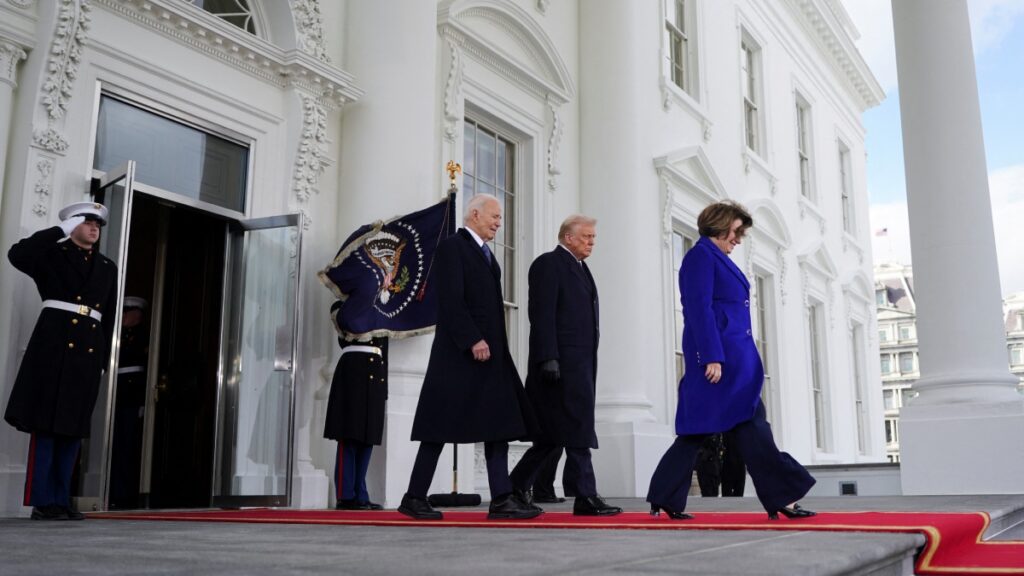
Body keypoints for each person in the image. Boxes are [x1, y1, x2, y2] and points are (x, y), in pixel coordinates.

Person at [647, 201, 816, 520]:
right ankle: (784, 497)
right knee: (743, 426)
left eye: (741, 233)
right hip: (721, 363)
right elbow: (698, 308)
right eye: (736, 231)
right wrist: (711, 356)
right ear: (719, 225)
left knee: (717, 428)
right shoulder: (700, 257)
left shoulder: (716, 258)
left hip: (735, 360)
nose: (739, 238)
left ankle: (664, 495)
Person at [399, 194, 539, 521]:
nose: (499, 222)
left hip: (492, 357)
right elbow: (450, 300)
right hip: (459, 356)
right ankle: (414, 497)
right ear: (474, 214)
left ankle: (502, 498)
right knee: (439, 426)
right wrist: (472, 338)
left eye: (500, 217)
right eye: (495, 216)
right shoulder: (452, 247)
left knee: (499, 425)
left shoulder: (488, 256)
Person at [5, 202, 117, 521]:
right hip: (54, 349)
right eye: (87, 222)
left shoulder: (107, 266)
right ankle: (43, 500)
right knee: (47, 425)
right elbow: (17, 254)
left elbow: (106, 315)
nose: (94, 228)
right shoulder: (51, 255)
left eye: (98, 224)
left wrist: (103, 360)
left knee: (73, 429)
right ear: (72, 225)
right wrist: (59, 232)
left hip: (87, 354)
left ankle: (61, 498)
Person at [510, 215, 621, 516]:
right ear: (568, 237)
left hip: (580, 364)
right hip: (559, 366)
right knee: (576, 429)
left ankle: (514, 487)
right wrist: (548, 357)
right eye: (586, 236)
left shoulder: (582, 269)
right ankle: (585, 495)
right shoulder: (549, 264)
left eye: (593, 237)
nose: (591, 242)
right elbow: (541, 314)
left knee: (551, 437)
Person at [323, 301, 388, 511]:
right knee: (350, 436)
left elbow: (383, 347)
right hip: (353, 370)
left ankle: (361, 494)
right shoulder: (343, 306)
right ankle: (346, 495)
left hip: (375, 371)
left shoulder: (382, 308)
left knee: (368, 438)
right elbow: (351, 326)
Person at [109, 296, 149, 509]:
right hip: (114, 393)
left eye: (129, 313)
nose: (125, 317)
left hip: (131, 396)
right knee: (112, 446)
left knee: (126, 447)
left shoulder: (142, 336)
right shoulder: (115, 334)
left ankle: (123, 494)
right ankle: (110, 491)